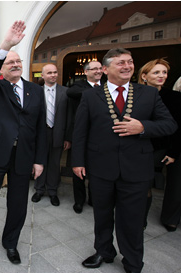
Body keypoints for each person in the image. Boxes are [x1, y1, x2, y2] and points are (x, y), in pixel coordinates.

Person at [72, 48, 177, 272]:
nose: (128, 66)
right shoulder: (91, 95)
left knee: (132, 219)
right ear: (106, 69)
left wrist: (143, 127)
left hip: (136, 168)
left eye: (129, 62)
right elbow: (80, 131)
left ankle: (132, 260)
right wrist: (77, 161)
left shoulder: (149, 94)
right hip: (100, 167)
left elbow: (170, 125)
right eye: (121, 63)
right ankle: (104, 251)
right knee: (101, 215)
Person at [0, 21, 47, 264]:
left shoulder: (35, 91)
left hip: (23, 155)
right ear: (2, 70)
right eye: (9, 62)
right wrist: (6, 45)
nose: (15, 64)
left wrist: (39, 160)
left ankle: (11, 243)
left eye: (18, 61)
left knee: (18, 205)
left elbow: (41, 127)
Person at [138, 58, 181, 232]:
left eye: (164, 72)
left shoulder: (174, 97)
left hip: (167, 148)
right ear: (145, 75)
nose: (161, 76)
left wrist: (173, 153)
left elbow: (178, 127)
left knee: (175, 184)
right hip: (143, 147)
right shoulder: (136, 95)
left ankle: (170, 218)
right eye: (156, 72)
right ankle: (140, 220)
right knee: (143, 184)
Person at [66, 61, 103, 213]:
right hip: (80, 135)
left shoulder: (108, 85)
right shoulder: (78, 86)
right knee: (78, 170)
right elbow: (70, 93)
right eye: (94, 69)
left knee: (97, 170)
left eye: (100, 68)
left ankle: (94, 199)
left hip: (100, 136)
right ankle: (79, 201)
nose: (98, 71)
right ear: (86, 72)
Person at [31, 63, 70, 206]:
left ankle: (53, 191)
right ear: (42, 75)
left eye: (55, 72)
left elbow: (69, 116)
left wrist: (68, 137)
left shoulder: (66, 92)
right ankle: (39, 190)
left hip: (58, 133)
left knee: (54, 163)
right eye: (49, 73)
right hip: (41, 133)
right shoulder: (36, 92)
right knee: (40, 161)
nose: (53, 75)